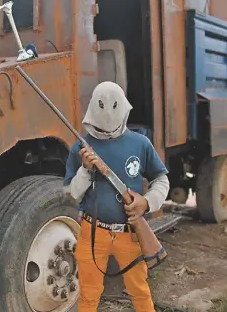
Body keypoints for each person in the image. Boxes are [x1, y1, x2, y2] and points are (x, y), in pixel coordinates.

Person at [64, 81, 169, 312]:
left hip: (130, 233)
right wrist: (86, 169)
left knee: (139, 292)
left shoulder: (140, 143)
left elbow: (161, 179)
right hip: (92, 233)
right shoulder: (80, 148)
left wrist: (147, 202)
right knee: (89, 296)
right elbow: (72, 192)